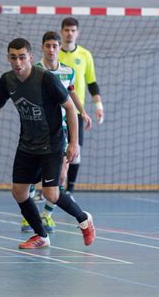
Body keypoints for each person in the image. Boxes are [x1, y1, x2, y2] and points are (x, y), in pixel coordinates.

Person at [0, 38, 95, 249]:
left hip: (52, 143)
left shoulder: (46, 79)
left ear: (30, 57)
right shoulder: (7, 80)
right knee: (19, 192)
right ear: (8, 58)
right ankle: (41, 235)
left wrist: (74, 143)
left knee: (51, 193)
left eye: (22, 57)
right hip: (27, 144)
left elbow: (69, 108)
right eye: (13, 57)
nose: (18, 63)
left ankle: (84, 218)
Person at [20, 31, 92, 233]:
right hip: (38, 131)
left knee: (61, 177)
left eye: (55, 46)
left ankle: (46, 216)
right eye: (48, 45)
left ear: (59, 48)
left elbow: (71, 92)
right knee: (33, 178)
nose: (51, 49)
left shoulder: (68, 71)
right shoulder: (34, 71)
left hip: (60, 132)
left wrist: (83, 112)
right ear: (42, 47)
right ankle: (29, 217)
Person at [59, 17, 103, 200]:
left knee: (75, 151)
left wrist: (98, 105)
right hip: (56, 111)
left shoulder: (85, 55)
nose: (70, 33)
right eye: (67, 30)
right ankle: (52, 187)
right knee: (54, 151)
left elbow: (92, 82)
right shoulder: (54, 53)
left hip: (76, 111)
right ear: (61, 31)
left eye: (73, 30)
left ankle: (69, 191)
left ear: (78, 33)